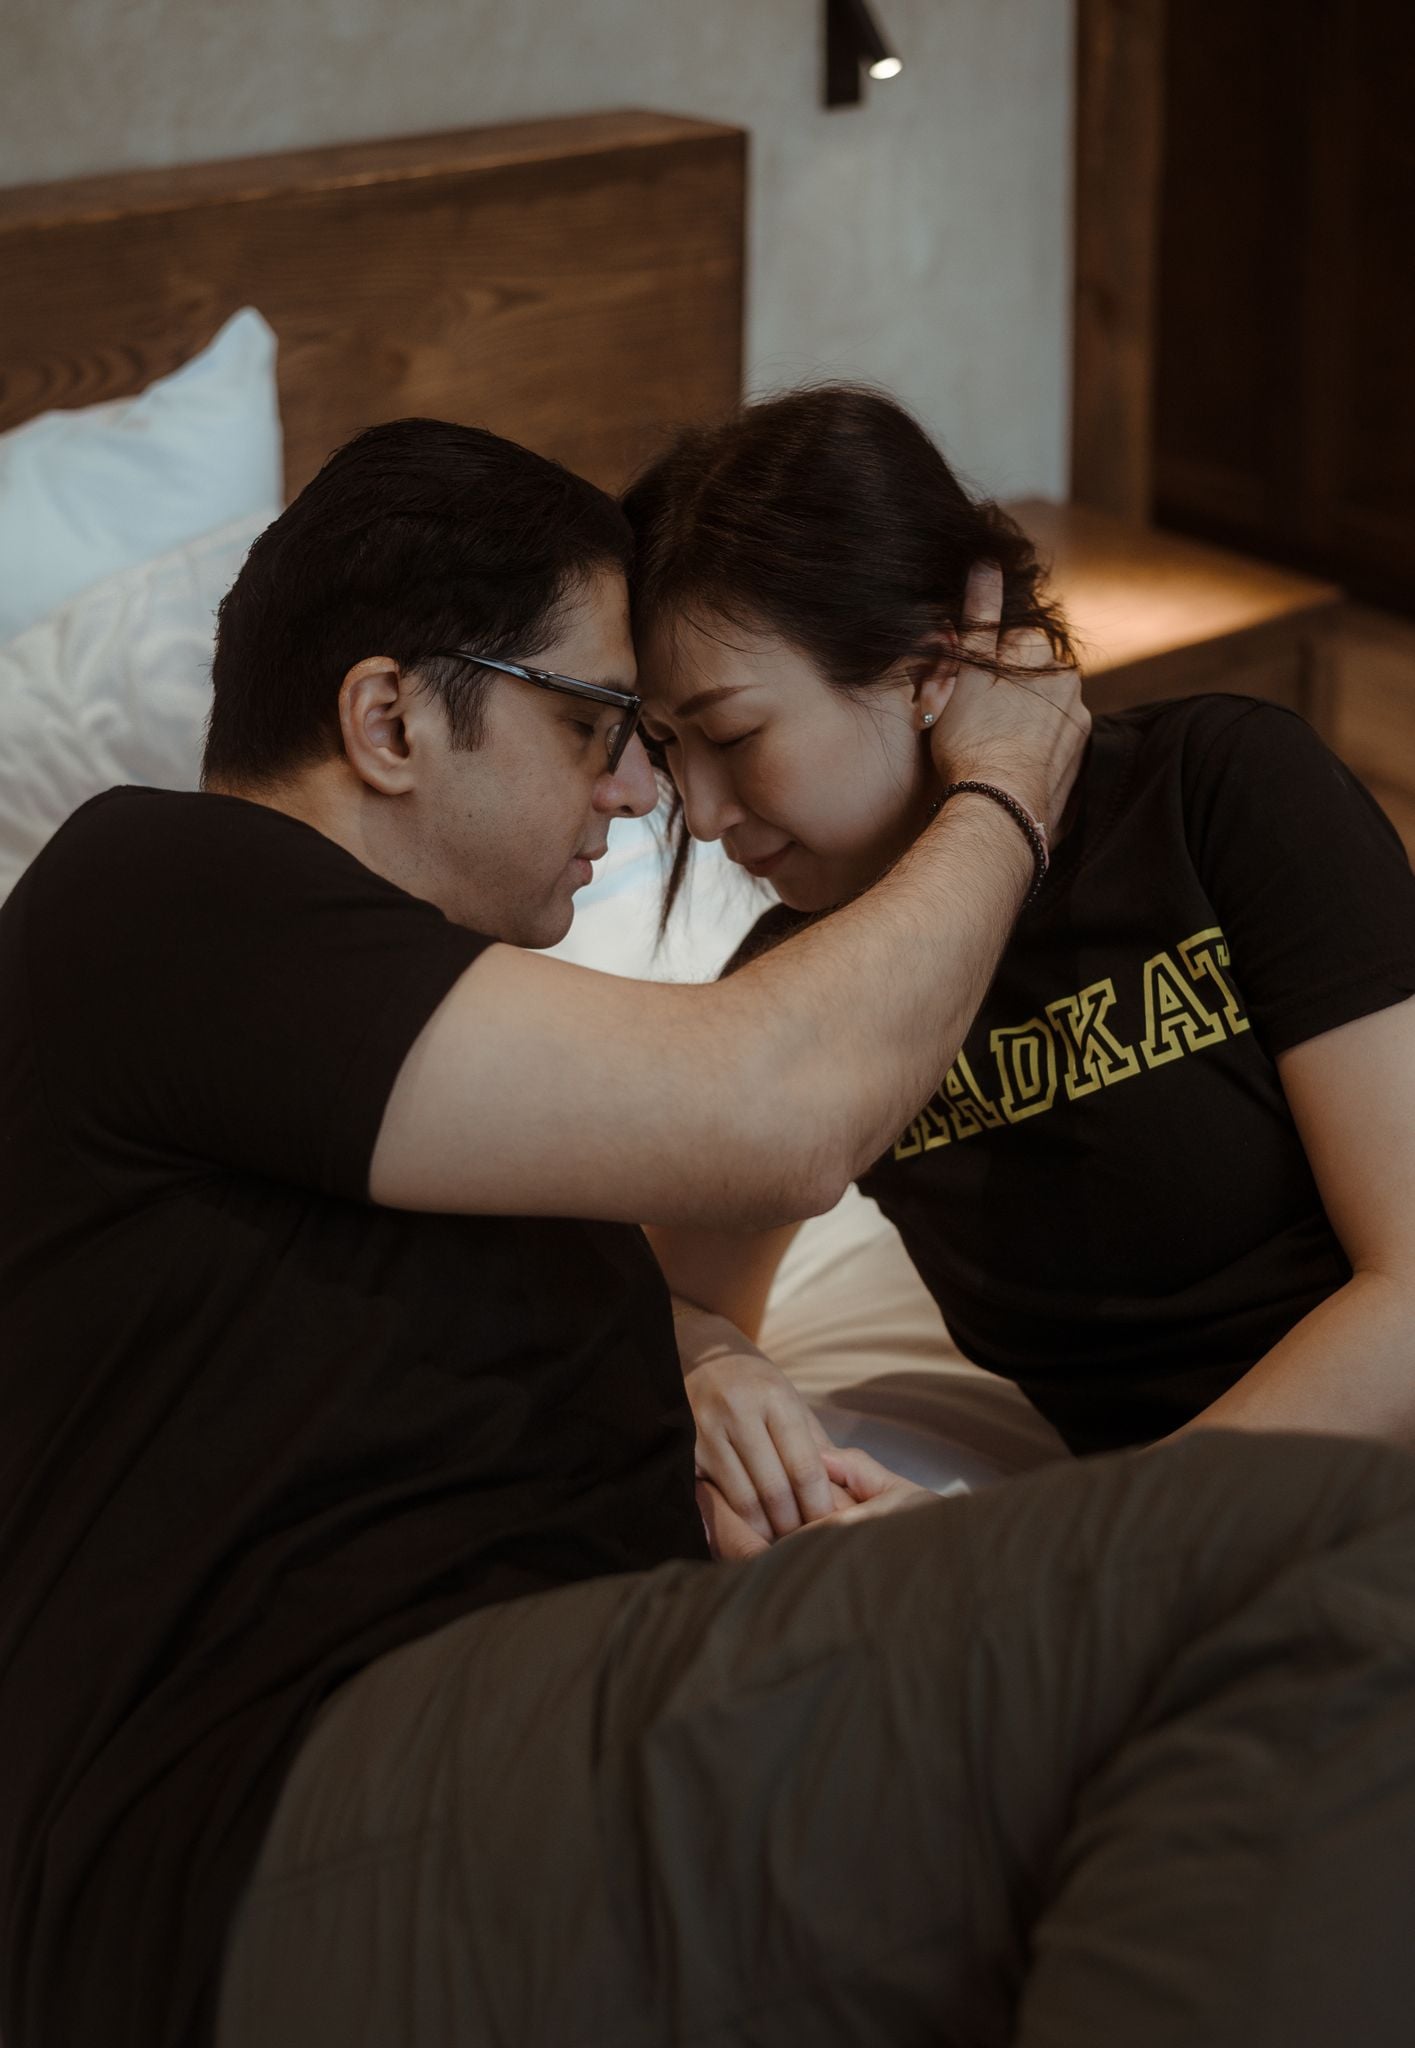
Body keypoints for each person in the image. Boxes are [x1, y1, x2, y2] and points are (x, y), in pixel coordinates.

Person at [6, 415, 1415, 2048]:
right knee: (1341, 1567)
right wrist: (1009, 786)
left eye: (676, 736)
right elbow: (782, 1102)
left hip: (570, 1745)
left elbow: (697, 1230)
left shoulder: (441, 1075)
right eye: (604, 728)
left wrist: (704, 1369)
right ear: (388, 719)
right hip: (342, 1800)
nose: (646, 797)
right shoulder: (150, 891)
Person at [622, 386, 1415, 1545]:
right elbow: (676, 1289)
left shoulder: (1220, 793)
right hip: (1178, 1563)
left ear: (928, 661)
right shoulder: (818, 986)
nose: (697, 811)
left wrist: (1067, 1550)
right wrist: (714, 1369)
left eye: (732, 734)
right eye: (664, 746)